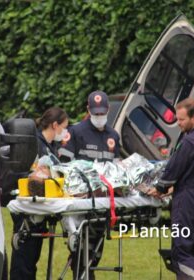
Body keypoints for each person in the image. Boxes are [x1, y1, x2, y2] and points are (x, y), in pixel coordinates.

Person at [147, 98, 194, 280]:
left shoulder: (189, 142)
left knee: (182, 251)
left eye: (181, 120)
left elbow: (172, 170)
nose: (178, 124)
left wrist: (160, 188)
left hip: (188, 203)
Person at [59, 90, 120, 280]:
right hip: (81, 202)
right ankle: (82, 274)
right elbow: (63, 165)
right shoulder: (75, 132)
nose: (99, 117)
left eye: (102, 113)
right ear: (88, 110)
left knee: (96, 250)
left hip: (102, 202)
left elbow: (115, 168)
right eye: (96, 114)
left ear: (108, 110)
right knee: (82, 250)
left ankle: (87, 273)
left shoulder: (113, 135)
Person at [10, 107, 68, 280]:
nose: (65, 131)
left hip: (40, 207)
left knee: (32, 258)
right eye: (64, 127)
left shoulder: (51, 146)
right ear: (55, 125)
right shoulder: (35, 143)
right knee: (24, 259)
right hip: (28, 207)